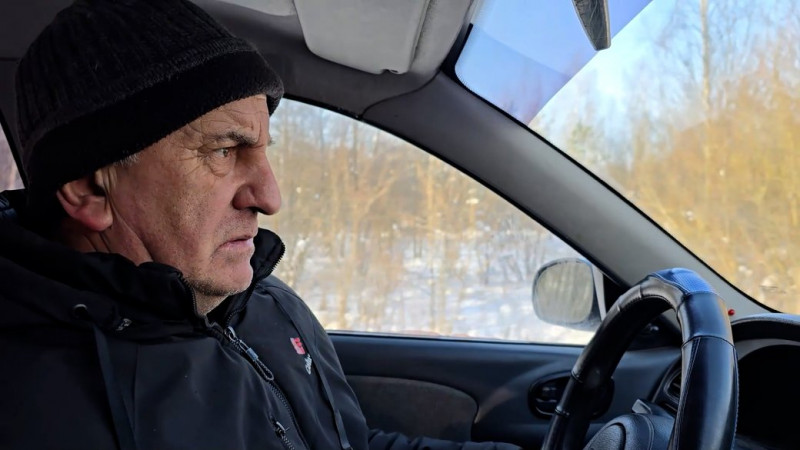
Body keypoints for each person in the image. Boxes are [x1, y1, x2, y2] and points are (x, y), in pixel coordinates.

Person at [0, 1, 523, 449]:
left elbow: (348, 442)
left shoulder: (267, 301)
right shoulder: (34, 406)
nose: (270, 198)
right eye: (224, 151)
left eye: (263, 150)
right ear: (90, 190)